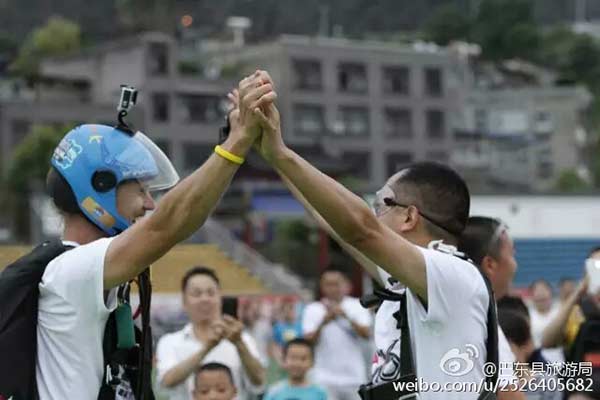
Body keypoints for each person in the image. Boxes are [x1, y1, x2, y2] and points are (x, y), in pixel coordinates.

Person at [235, 71, 493, 399]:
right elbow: (332, 221)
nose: (373, 213)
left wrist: (281, 153)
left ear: (410, 216)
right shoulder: (408, 278)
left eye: (380, 203)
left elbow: (359, 229)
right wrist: (271, 155)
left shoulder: (450, 272)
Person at [19, 77, 272, 400]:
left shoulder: (69, 270)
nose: (150, 203)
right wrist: (237, 142)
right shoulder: (69, 270)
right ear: (99, 188)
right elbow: (168, 224)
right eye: (140, 190)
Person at [155, 267, 266, 400]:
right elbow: (166, 382)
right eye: (196, 294)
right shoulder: (170, 342)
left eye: (211, 293)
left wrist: (239, 343)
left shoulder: (243, 339)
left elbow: (259, 381)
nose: (205, 299)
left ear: (220, 297)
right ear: (184, 301)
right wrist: (208, 347)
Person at [458, 216, 526, 400]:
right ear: (490, 264)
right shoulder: (479, 319)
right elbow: (509, 395)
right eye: (512, 255)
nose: (515, 264)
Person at [301, 266, 372, 400]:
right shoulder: (313, 309)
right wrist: (324, 321)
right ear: (322, 286)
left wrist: (346, 316)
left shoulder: (357, 305)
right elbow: (308, 341)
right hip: (323, 378)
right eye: (328, 284)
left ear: (346, 285)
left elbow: (366, 334)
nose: (332, 288)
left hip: (354, 377)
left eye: (336, 284)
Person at [497, 310, 561, 400]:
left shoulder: (547, 383)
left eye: (505, 348)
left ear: (525, 346)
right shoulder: (490, 386)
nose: (501, 355)